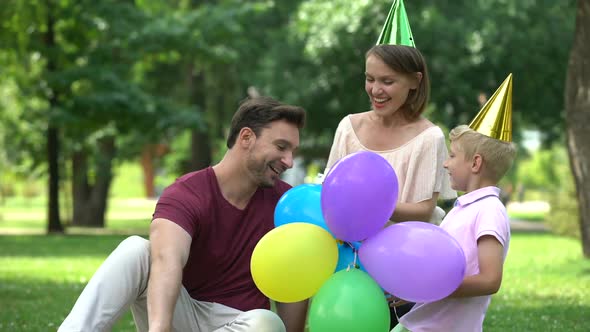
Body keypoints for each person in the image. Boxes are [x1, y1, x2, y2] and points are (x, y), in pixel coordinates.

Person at [59, 96, 309, 332]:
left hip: (242, 322)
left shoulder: (286, 205)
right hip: (183, 314)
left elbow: (294, 283)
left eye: (292, 152)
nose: (289, 161)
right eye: (281, 147)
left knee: (266, 323)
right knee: (134, 249)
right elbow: (167, 259)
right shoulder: (187, 193)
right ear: (246, 137)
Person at [324, 42, 457, 328]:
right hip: (349, 259)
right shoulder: (348, 127)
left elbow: (423, 211)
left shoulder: (429, 137)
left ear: (414, 81)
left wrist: (371, 204)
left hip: (404, 261)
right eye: (370, 79)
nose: (375, 90)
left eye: (387, 81)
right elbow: (330, 194)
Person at [393, 74, 517, 331]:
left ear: (475, 163)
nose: (446, 163)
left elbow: (490, 279)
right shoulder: (461, 209)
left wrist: (429, 288)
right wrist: (415, 290)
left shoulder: (489, 210)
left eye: (452, 156)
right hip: (419, 324)